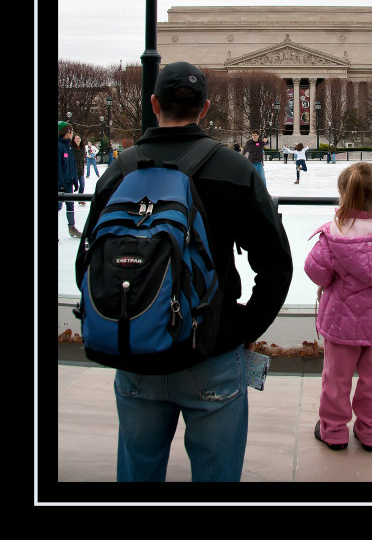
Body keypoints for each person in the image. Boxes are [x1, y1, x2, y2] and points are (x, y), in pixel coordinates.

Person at [76, 62, 293, 482]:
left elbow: (88, 264)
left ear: (154, 103)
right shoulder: (234, 169)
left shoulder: (121, 169)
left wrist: (129, 315)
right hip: (212, 352)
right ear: (206, 108)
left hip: (138, 347)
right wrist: (241, 327)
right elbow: (277, 264)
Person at [304, 163, 372, 452]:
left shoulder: (336, 234)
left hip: (342, 326)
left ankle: (334, 431)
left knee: (336, 380)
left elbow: (316, 271)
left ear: (346, 196)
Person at [58, 121, 82, 238]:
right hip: (60, 184)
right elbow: (58, 167)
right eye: (71, 131)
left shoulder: (68, 146)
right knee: (58, 206)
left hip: (68, 183)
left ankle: (72, 228)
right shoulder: (59, 146)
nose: (72, 133)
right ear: (67, 132)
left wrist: (75, 180)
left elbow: (72, 165)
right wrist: (61, 183)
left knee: (70, 205)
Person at [71, 133, 87, 206]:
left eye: (79, 138)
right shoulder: (71, 148)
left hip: (80, 170)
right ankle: (68, 200)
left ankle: (80, 199)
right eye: (76, 138)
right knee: (70, 186)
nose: (78, 140)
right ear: (74, 139)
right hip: (73, 170)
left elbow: (82, 161)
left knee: (82, 185)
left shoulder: (83, 148)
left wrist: (83, 170)